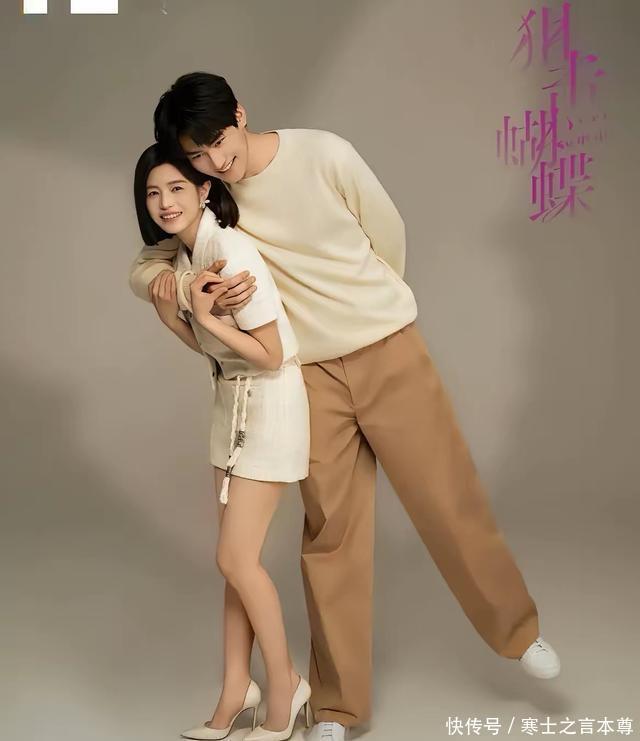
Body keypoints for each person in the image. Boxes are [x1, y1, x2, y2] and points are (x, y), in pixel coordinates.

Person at [129, 73, 561, 741]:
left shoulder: (323, 153)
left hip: (386, 348)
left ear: (240, 113)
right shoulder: (215, 198)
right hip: (307, 378)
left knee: (447, 498)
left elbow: (389, 235)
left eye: (218, 141)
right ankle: (335, 706)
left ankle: (518, 631)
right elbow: (147, 262)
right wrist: (179, 286)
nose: (215, 160)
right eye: (198, 154)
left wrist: (370, 307)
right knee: (331, 535)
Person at [133, 143, 312, 741]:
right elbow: (212, 350)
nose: (165, 202)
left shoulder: (229, 253)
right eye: (153, 192)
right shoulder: (186, 255)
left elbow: (271, 354)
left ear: (204, 190)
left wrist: (205, 317)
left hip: (270, 403)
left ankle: (285, 687)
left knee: (235, 559)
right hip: (229, 406)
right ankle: (237, 689)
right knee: (239, 562)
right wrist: (174, 317)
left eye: (177, 188)